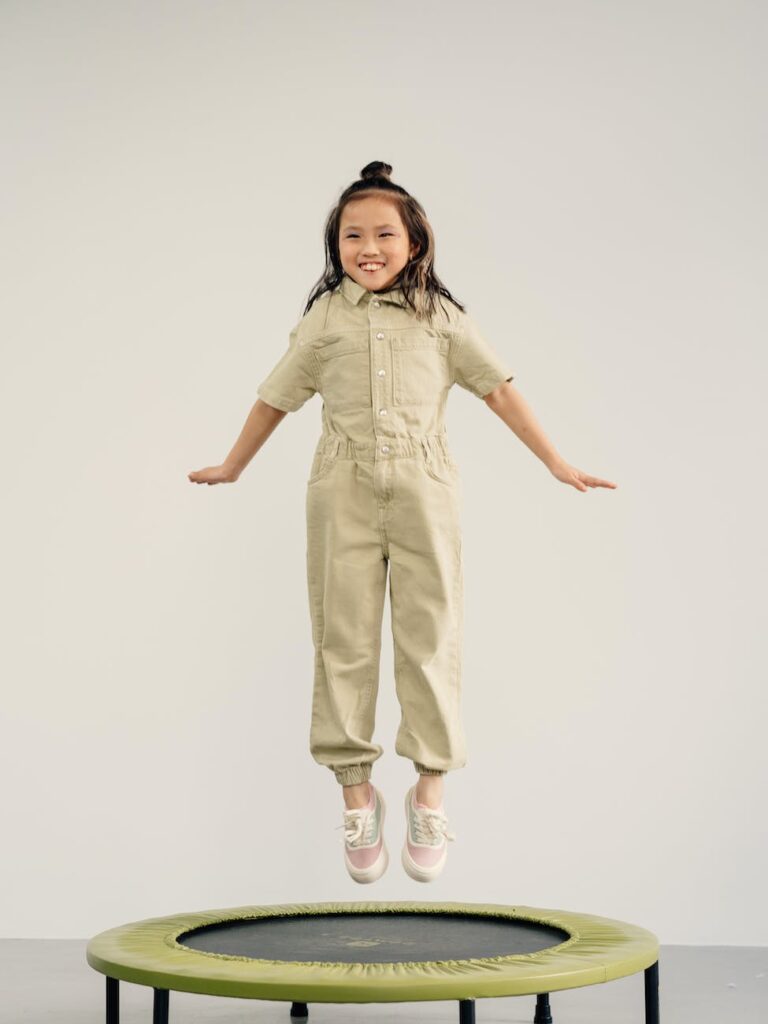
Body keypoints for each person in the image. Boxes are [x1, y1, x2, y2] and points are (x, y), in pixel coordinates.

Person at [188, 160, 617, 885]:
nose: (369, 247)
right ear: (337, 246)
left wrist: (556, 461)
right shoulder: (324, 320)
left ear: (414, 242)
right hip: (341, 489)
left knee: (430, 637)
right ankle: (358, 797)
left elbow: (501, 392)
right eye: (353, 235)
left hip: (425, 488)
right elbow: (275, 398)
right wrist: (234, 464)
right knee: (343, 642)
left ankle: (429, 791)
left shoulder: (442, 319)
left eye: (385, 233)